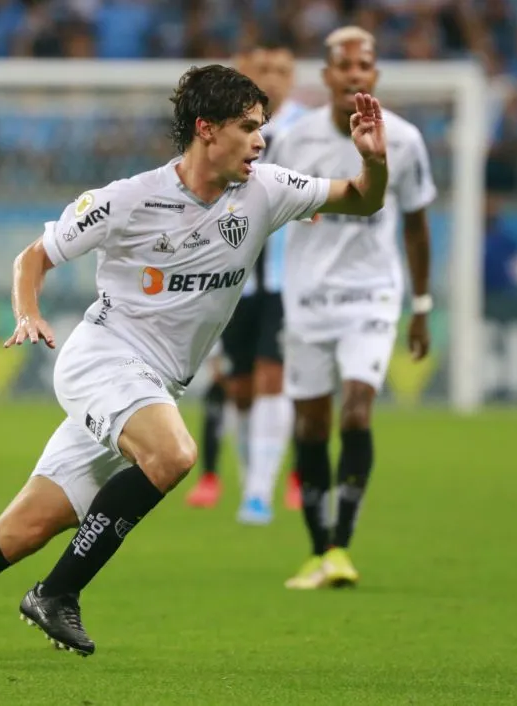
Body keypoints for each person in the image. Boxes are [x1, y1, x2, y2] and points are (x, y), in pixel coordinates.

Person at [0, 64, 389, 661]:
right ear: (205, 129)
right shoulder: (128, 199)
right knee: (174, 454)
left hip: (152, 386)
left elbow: (363, 200)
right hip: (102, 359)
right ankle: (57, 593)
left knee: (19, 532)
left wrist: (372, 160)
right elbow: (32, 258)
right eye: (247, 127)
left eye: (262, 126)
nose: (261, 140)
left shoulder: (268, 190)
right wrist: (27, 312)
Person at [271, 27, 435, 590]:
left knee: (358, 410)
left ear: (375, 75)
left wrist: (422, 303)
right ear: (327, 76)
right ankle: (318, 550)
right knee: (311, 423)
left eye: (364, 65)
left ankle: (341, 544)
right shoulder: (292, 141)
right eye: (343, 65)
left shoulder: (406, 139)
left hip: (372, 294)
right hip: (308, 296)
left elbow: (415, 223)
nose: (354, 74)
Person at [185, 34, 308, 522]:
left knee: (272, 378)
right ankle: (248, 478)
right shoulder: (223, 131)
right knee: (237, 387)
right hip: (230, 277)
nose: (272, 76)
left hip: (283, 280)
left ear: (293, 78)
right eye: (262, 68)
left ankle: (259, 493)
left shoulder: (307, 131)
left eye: (281, 68)